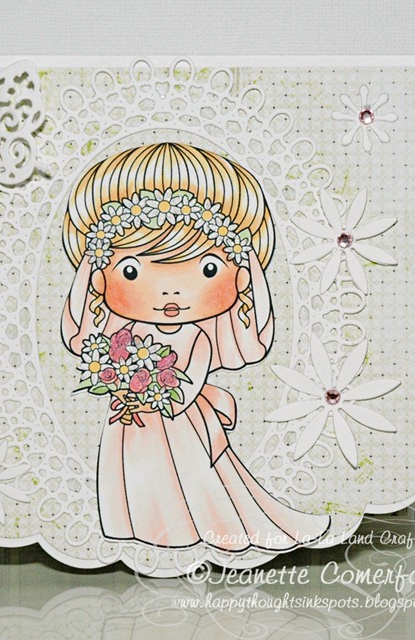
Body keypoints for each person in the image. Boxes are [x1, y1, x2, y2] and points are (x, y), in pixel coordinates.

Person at [61, 142, 330, 551]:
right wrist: (121, 381)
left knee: (187, 480)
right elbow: (99, 352)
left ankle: (184, 532)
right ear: (100, 274)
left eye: (207, 268)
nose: (170, 291)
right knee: (133, 475)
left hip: (177, 423)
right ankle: (134, 530)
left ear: (240, 275)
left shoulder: (196, 337)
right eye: (131, 270)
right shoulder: (123, 330)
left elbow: (185, 389)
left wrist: (148, 391)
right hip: (129, 423)